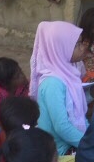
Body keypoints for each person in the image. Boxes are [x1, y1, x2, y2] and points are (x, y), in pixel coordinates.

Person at [30, 19, 89, 155]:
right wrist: (90, 144)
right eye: (77, 44)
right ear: (60, 48)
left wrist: (92, 136)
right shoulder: (53, 83)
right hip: (59, 150)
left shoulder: (68, 72)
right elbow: (62, 127)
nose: (82, 48)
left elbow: (80, 114)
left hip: (74, 141)